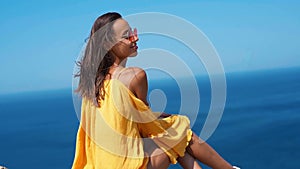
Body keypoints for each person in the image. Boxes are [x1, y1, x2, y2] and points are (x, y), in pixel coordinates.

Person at [72, 12, 239, 169]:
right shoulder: (135, 76)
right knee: (180, 133)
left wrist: (160, 118)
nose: (135, 38)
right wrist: (168, 118)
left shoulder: (91, 84)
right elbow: (147, 126)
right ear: (108, 44)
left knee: (174, 137)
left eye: (133, 32)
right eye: (127, 36)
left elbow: (130, 120)